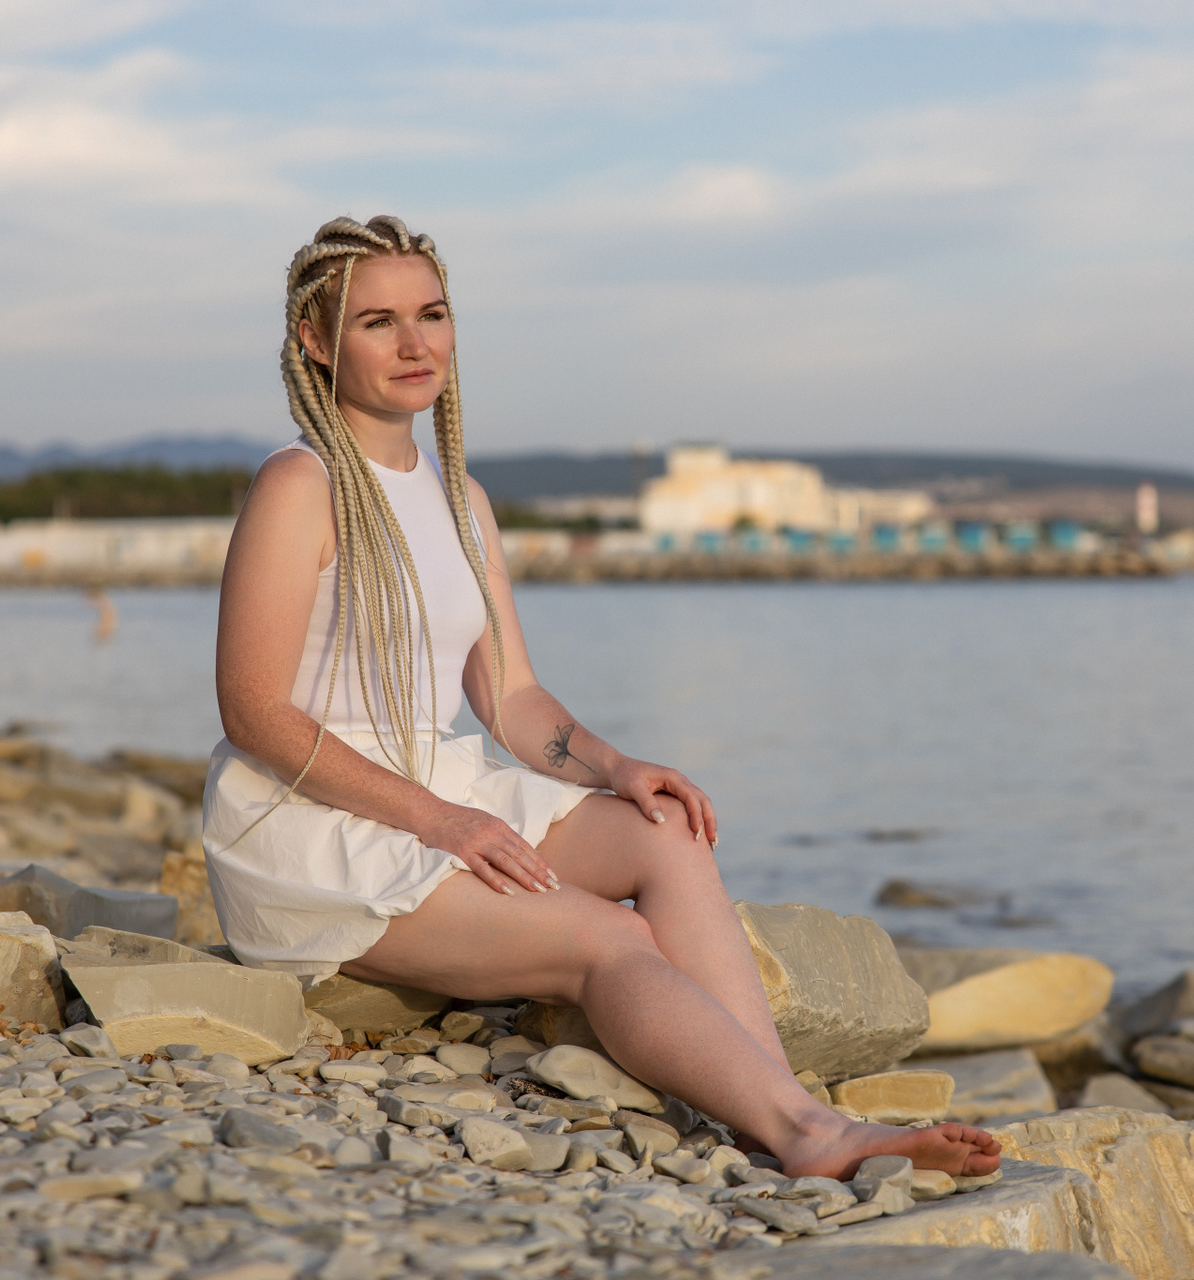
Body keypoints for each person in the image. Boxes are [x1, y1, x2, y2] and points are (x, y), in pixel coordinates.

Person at [206, 215, 1000, 1180]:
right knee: (606, 936)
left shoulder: (462, 499)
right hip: (312, 827)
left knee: (668, 833)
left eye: (432, 314)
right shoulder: (300, 485)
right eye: (378, 322)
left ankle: (777, 1110)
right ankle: (808, 1135)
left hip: (437, 790)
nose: (415, 344)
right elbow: (253, 711)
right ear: (317, 342)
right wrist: (441, 822)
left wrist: (619, 768)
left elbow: (511, 695)